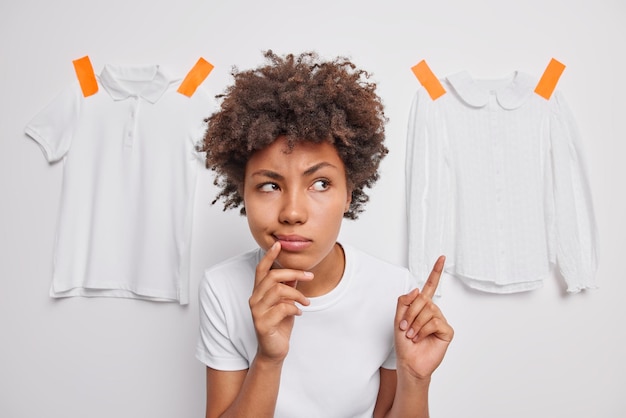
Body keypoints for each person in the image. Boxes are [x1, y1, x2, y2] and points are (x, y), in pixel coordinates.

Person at [195, 50, 453, 418]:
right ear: (243, 192)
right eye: (269, 186)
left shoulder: (393, 290)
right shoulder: (222, 288)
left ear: (349, 193)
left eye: (319, 183)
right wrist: (269, 358)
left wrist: (415, 378)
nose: (293, 213)